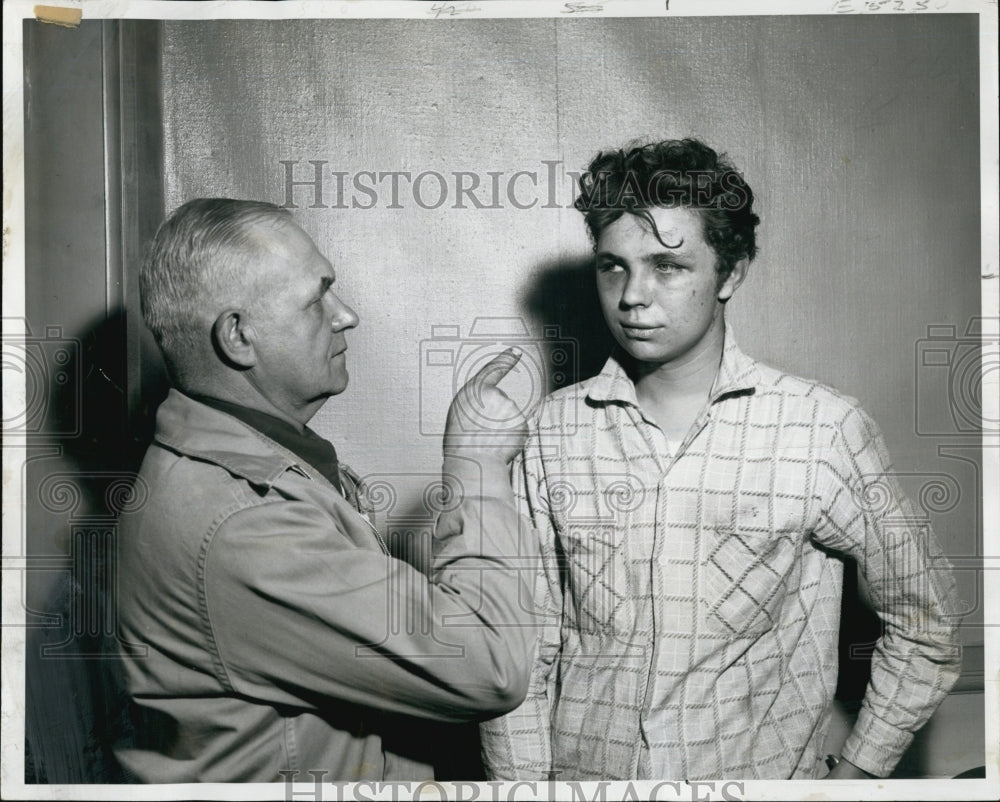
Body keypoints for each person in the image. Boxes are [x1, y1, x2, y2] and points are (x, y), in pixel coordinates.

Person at [479, 139, 962, 780]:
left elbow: (928, 622)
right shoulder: (553, 431)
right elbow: (520, 650)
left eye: (668, 266)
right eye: (613, 266)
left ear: (730, 274)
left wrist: (856, 781)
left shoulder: (819, 429)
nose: (632, 296)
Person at [114, 198, 536, 782]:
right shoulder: (243, 524)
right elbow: (489, 664)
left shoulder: (251, 470)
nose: (347, 315)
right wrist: (478, 466)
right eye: (317, 299)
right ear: (238, 336)